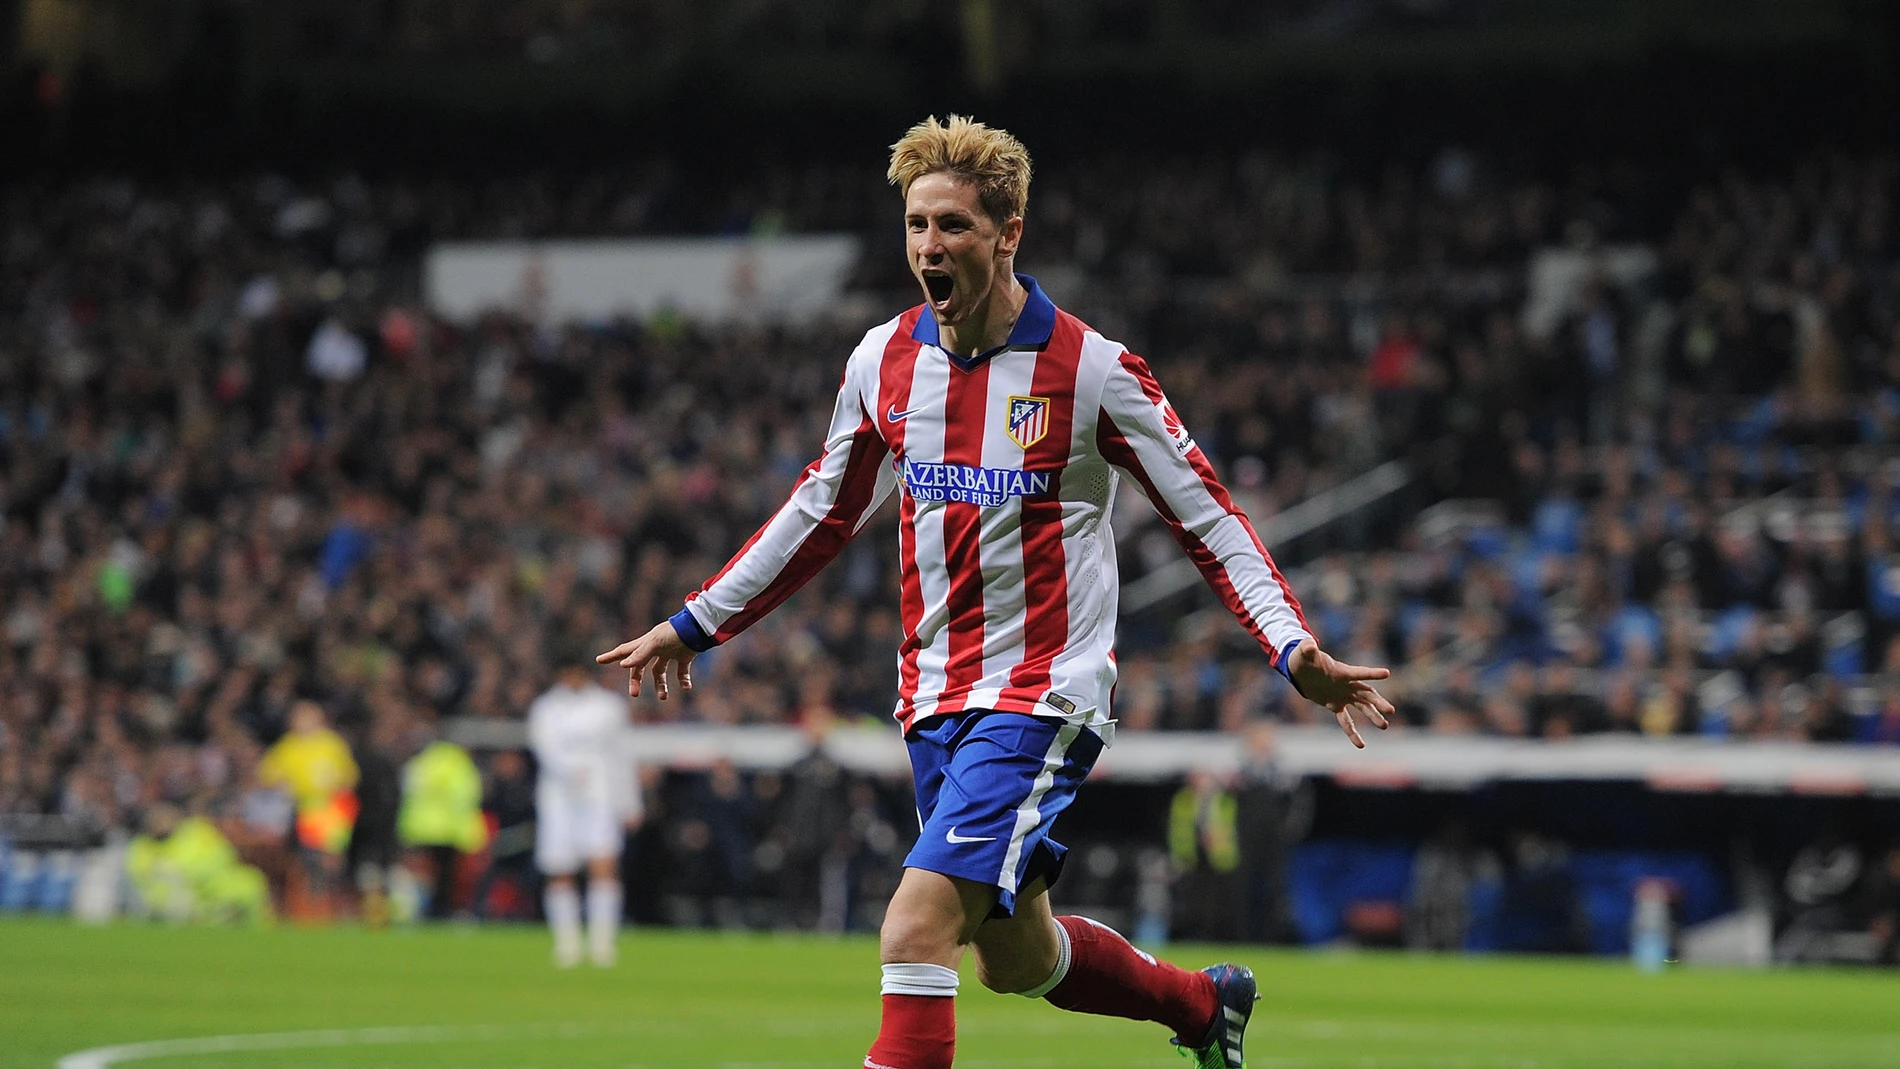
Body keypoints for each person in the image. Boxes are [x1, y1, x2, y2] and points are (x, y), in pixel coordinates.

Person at [599, 115, 1393, 1069]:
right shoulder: (882, 361)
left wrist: (1293, 650)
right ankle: (1200, 1004)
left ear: (1008, 232)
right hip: (933, 694)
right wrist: (695, 624)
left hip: (1043, 691)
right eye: (916, 226)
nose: (929, 248)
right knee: (1015, 958)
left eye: (953, 228)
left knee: (914, 925)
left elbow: (1211, 518)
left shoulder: (1093, 371)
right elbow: (821, 512)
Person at [529, 646, 640, 967]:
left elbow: (621, 756)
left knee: (602, 864)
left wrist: (630, 802)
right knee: (559, 867)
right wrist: (569, 771)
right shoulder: (546, 708)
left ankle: (602, 942)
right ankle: (567, 943)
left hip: (600, 795)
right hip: (558, 798)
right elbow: (545, 750)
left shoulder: (608, 707)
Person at [397, 732, 490, 920]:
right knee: (448, 878)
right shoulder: (458, 763)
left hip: (418, 829)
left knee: (421, 875)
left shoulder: (421, 761)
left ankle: (416, 911)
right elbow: (468, 795)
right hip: (449, 831)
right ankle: (441, 911)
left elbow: (407, 790)